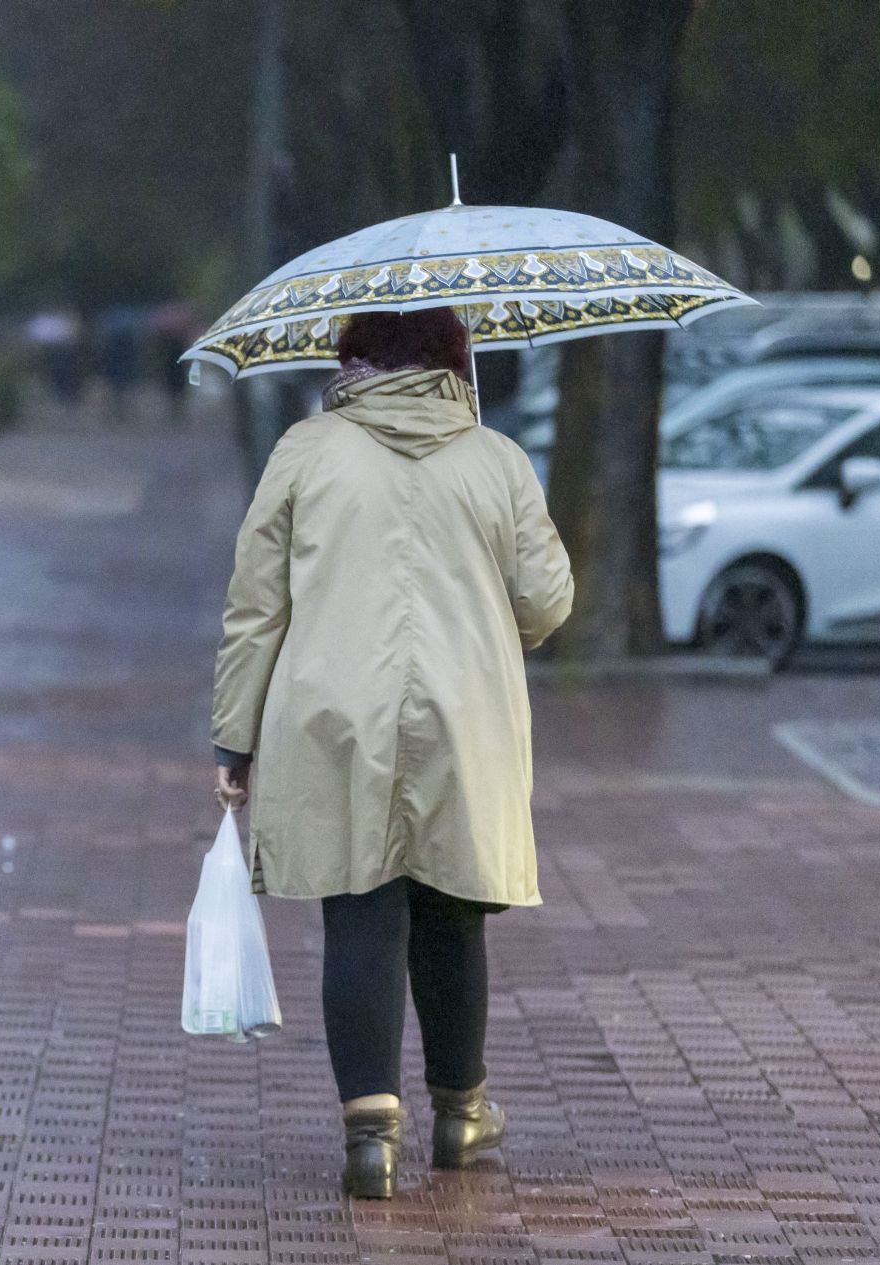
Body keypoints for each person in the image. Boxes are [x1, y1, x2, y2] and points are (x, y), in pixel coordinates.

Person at [210, 308, 572, 1199]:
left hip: (332, 712)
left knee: (361, 907)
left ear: (353, 358)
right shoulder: (496, 458)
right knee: (453, 908)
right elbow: (549, 600)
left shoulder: (307, 448)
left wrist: (233, 735)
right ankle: (460, 1111)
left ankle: (370, 1132)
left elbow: (257, 605)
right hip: (463, 714)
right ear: (455, 361)